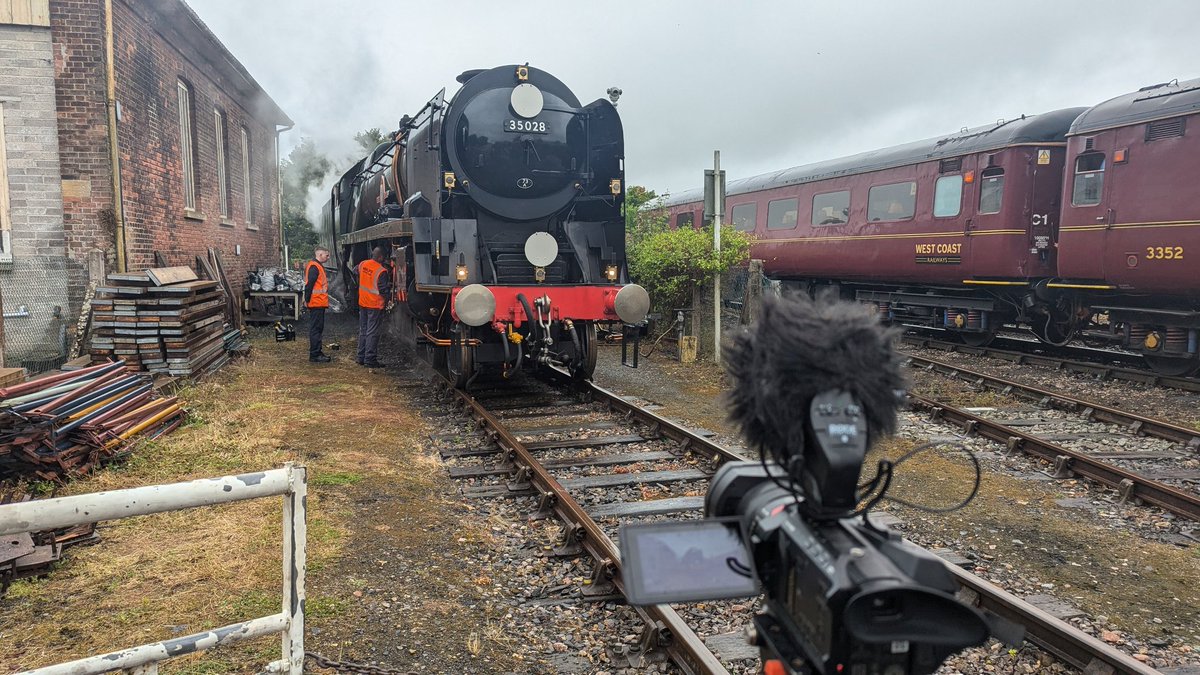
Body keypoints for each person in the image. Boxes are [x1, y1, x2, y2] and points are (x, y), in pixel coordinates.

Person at [355, 246, 391, 368]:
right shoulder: (381, 271)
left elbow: (355, 271)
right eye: (384, 257)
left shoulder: (363, 264)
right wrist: (388, 300)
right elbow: (383, 290)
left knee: (363, 330)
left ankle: (360, 357)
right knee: (372, 332)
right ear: (380, 257)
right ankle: (370, 359)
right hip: (374, 305)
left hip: (363, 302)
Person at [305, 247, 332, 363]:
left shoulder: (316, 266)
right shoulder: (314, 267)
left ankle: (317, 352)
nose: (328, 257)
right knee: (316, 329)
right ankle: (315, 354)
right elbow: (309, 285)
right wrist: (307, 300)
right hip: (316, 302)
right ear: (320, 255)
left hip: (318, 302)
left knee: (317, 328)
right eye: (326, 255)